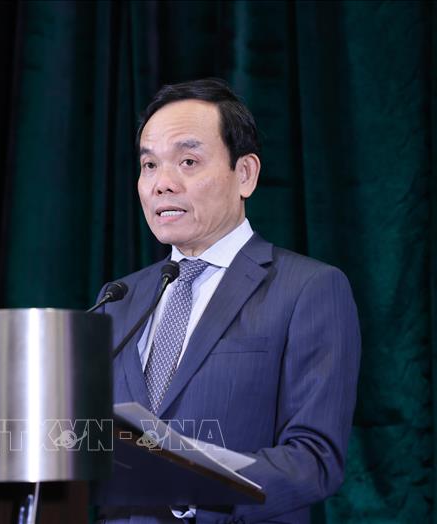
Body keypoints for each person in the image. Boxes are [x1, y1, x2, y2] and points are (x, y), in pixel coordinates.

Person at [96, 78, 361, 524]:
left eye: (188, 161)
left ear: (245, 174)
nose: (162, 184)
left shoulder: (308, 289)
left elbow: (314, 460)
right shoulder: (117, 298)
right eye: (149, 165)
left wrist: (185, 480)